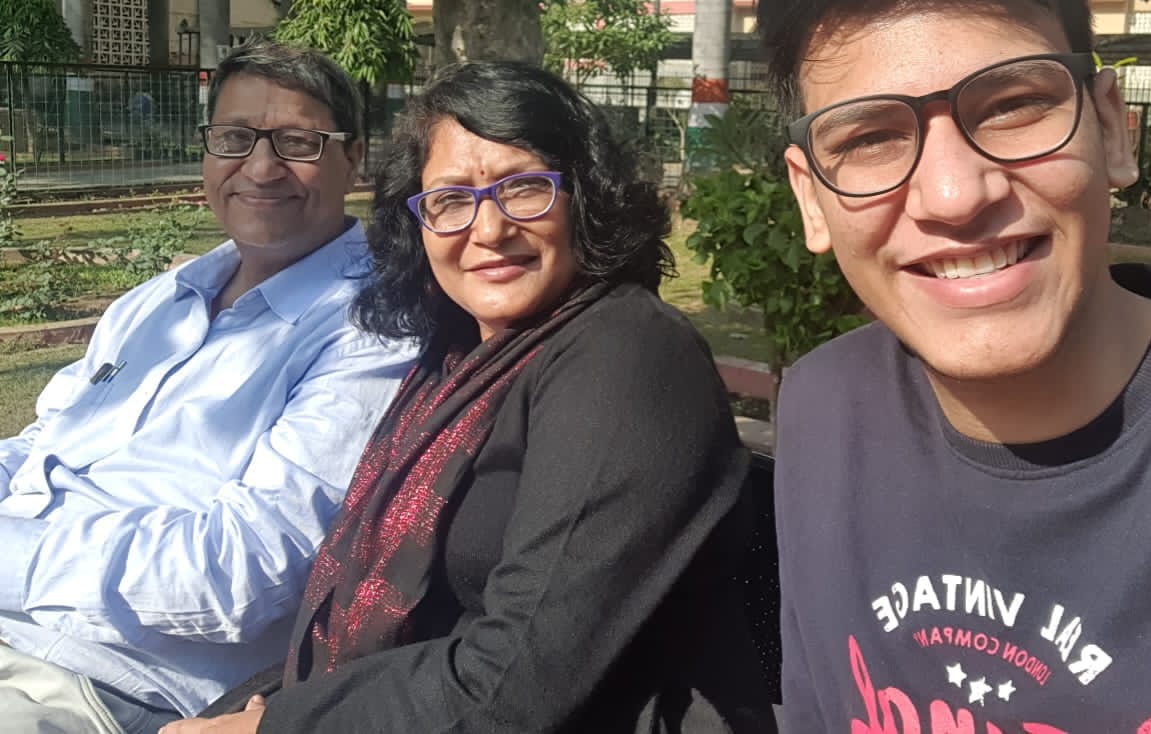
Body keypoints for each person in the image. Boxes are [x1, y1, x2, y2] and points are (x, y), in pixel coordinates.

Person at [757, 0, 1151, 732]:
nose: (954, 195)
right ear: (811, 199)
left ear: (1111, 129)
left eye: (1011, 106)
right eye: (872, 137)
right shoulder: (824, 408)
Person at [161, 60, 777, 734]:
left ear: (584, 196)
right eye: (451, 200)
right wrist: (258, 707)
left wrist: (276, 726)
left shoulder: (626, 355)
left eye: (524, 189)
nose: (489, 230)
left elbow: (521, 680)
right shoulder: (454, 360)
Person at [0, 43, 418, 734]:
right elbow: (48, 440)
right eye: (233, 138)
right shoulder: (158, 302)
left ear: (355, 159)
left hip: (96, 680)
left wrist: (15, 554)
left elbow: (238, 576)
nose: (260, 168)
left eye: (297, 142)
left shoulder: (371, 333)